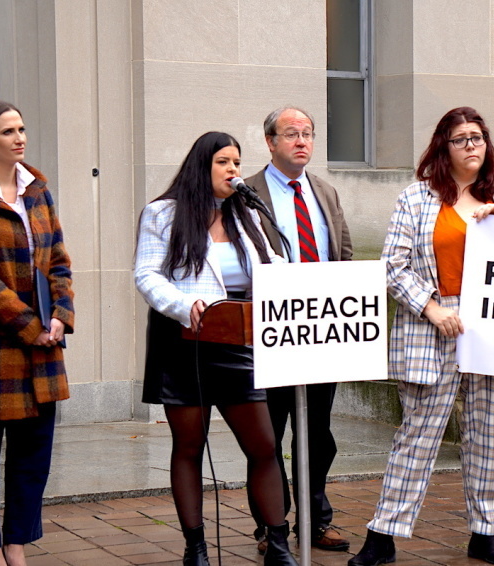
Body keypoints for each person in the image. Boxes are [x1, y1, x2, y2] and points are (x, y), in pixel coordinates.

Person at [349, 107, 494, 566]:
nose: (472, 145)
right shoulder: (417, 198)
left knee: (489, 435)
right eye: (461, 139)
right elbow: (393, 266)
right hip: (431, 327)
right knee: (419, 435)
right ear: (442, 147)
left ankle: (485, 531)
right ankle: (383, 533)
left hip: (493, 329)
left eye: (478, 137)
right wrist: (432, 307)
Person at [134, 131, 297, 566]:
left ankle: (278, 545)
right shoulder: (162, 214)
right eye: (224, 162)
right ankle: (196, 549)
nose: (233, 171)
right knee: (189, 446)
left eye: (237, 162)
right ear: (201, 166)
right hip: (183, 342)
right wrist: (186, 304)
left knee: (263, 446)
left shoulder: (245, 214)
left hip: (236, 342)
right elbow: (147, 275)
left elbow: (271, 267)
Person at [0, 99, 73, 566]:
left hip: (43, 347)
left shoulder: (39, 192)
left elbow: (60, 262)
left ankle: (17, 543)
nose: (19, 138)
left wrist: (60, 316)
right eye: (8, 131)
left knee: (33, 457)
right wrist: (32, 326)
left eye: (22, 129)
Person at [243, 106, 353, 554]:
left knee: (317, 434)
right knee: (268, 435)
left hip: (320, 332)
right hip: (270, 335)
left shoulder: (324, 192)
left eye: (307, 133)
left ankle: (315, 521)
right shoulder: (245, 193)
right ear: (271, 142)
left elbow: (342, 253)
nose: (302, 141)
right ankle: (272, 528)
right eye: (292, 134)